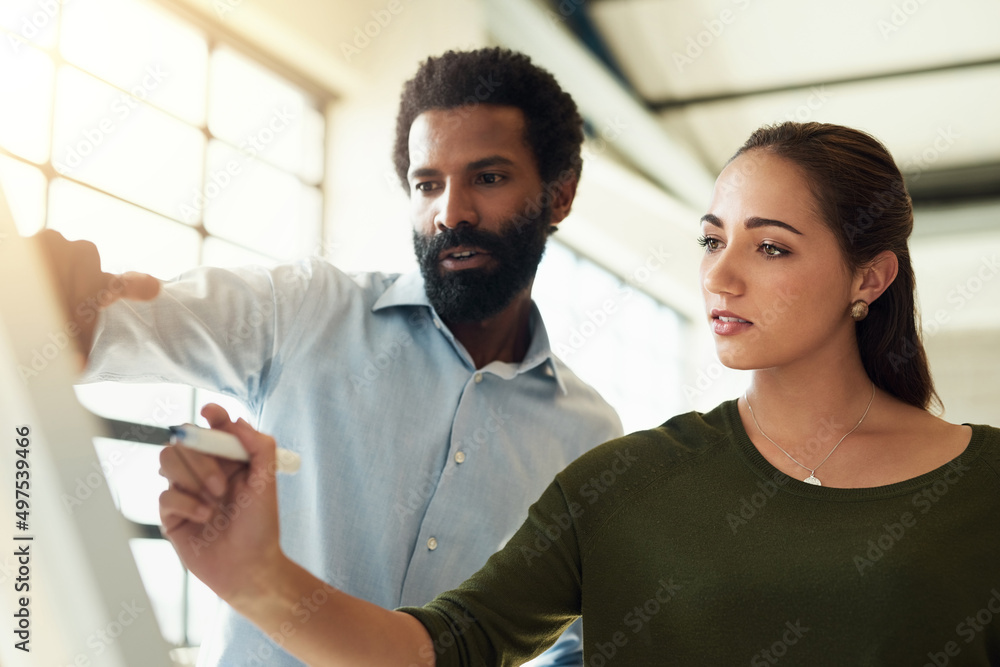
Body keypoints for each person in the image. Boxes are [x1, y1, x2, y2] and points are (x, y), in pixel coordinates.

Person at [158, 121, 1000, 665]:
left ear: (870, 276)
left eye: (771, 247)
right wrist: (255, 573)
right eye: (713, 240)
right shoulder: (622, 485)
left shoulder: (986, 483)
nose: (723, 274)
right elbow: (438, 650)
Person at [42, 48, 623, 666]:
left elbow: (579, 646)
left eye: (488, 178)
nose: (451, 213)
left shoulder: (590, 436)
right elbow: (111, 327)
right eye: (427, 184)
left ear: (559, 196)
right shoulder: (304, 310)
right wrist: (55, 302)